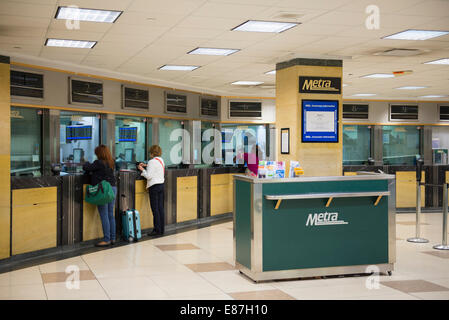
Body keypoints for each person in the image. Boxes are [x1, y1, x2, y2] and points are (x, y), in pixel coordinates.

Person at [83, 145, 117, 247]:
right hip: (112, 189)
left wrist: (85, 161)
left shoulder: (98, 163)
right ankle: (113, 238)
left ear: (99, 154)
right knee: (111, 214)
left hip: (103, 190)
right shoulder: (111, 162)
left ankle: (106, 239)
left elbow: (86, 167)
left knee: (104, 215)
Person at [138, 145, 165, 236]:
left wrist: (142, 170)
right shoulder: (161, 160)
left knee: (155, 209)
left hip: (154, 187)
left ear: (152, 153)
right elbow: (156, 168)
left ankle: (156, 230)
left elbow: (149, 176)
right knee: (160, 208)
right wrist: (146, 165)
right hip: (161, 185)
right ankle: (161, 229)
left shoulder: (152, 161)